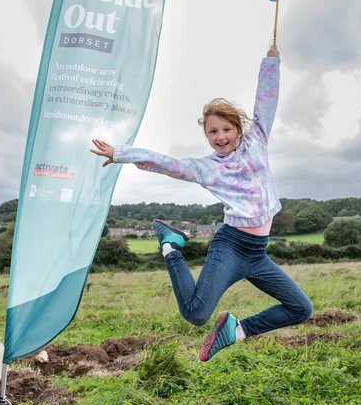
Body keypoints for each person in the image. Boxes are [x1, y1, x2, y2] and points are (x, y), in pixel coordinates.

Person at [90, 43, 313, 361]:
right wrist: (122, 153)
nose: (220, 136)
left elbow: (266, 100)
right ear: (206, 135)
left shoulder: (257, 141)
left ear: (238, 127)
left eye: (226, 129)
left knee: (301, 308)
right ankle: (171, 247)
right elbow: (168, 163)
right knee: (195, 313)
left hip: (258, 253)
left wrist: (271, 63)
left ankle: (236, 330)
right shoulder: (207, 167)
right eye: (212, 132)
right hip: (231, 246)